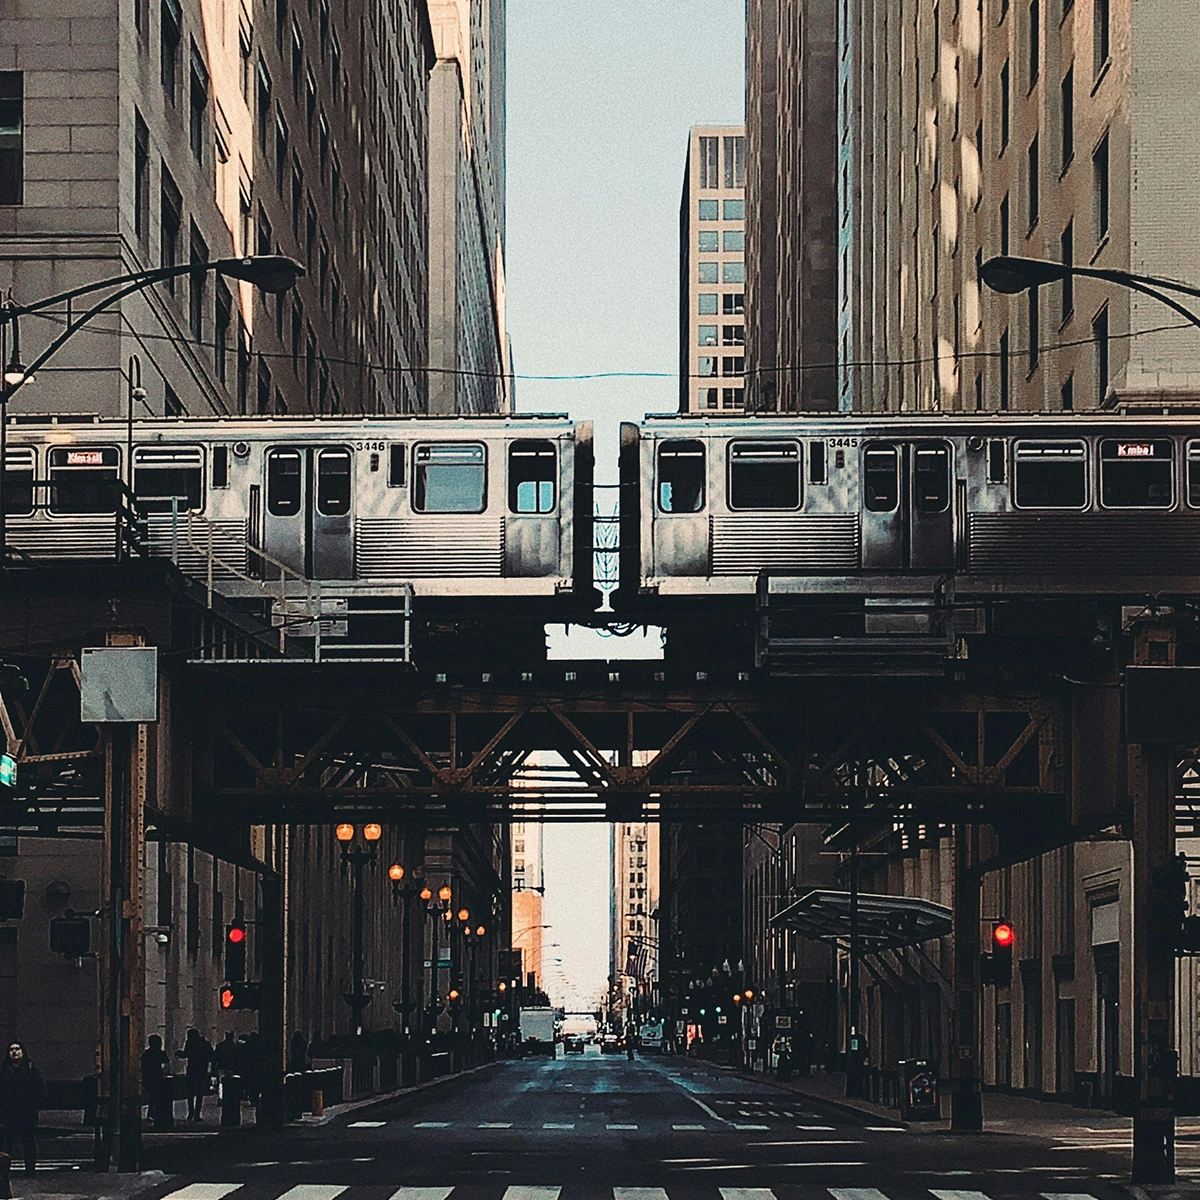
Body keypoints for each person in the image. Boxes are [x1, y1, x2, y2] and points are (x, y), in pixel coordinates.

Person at [0, 1041, 46, 1173]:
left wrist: (34, 1105)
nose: (14, 1052)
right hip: (9, 1113)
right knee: (7, 1143)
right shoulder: (4, 1070)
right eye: (11, 1049)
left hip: (26, 1112)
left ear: (23, 1052)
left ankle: (30, 1170)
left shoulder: (31, 1069)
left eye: (17, 1049)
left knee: (28, 1142)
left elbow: (41, 1089)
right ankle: (4, 1171)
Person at [176, 1029, 212, 1121]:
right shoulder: (205, 1043)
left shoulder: (190, 1043)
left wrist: (179, 1053)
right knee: (200, 1093)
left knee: (190, 1092)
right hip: (202, 1070)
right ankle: (197, 1114)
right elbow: (211, 1055)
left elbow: (186, 1054)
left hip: (192, 1070)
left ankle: (191, 1112)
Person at [141, 1035, 173, 1129]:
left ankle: (151, 1113)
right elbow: (165, 1064)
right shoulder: (160, 1053)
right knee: (157, 1096)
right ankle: (155, 1113)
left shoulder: (146, 1054)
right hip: (157, 1078)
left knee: (152, 1096)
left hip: (148, 1078)